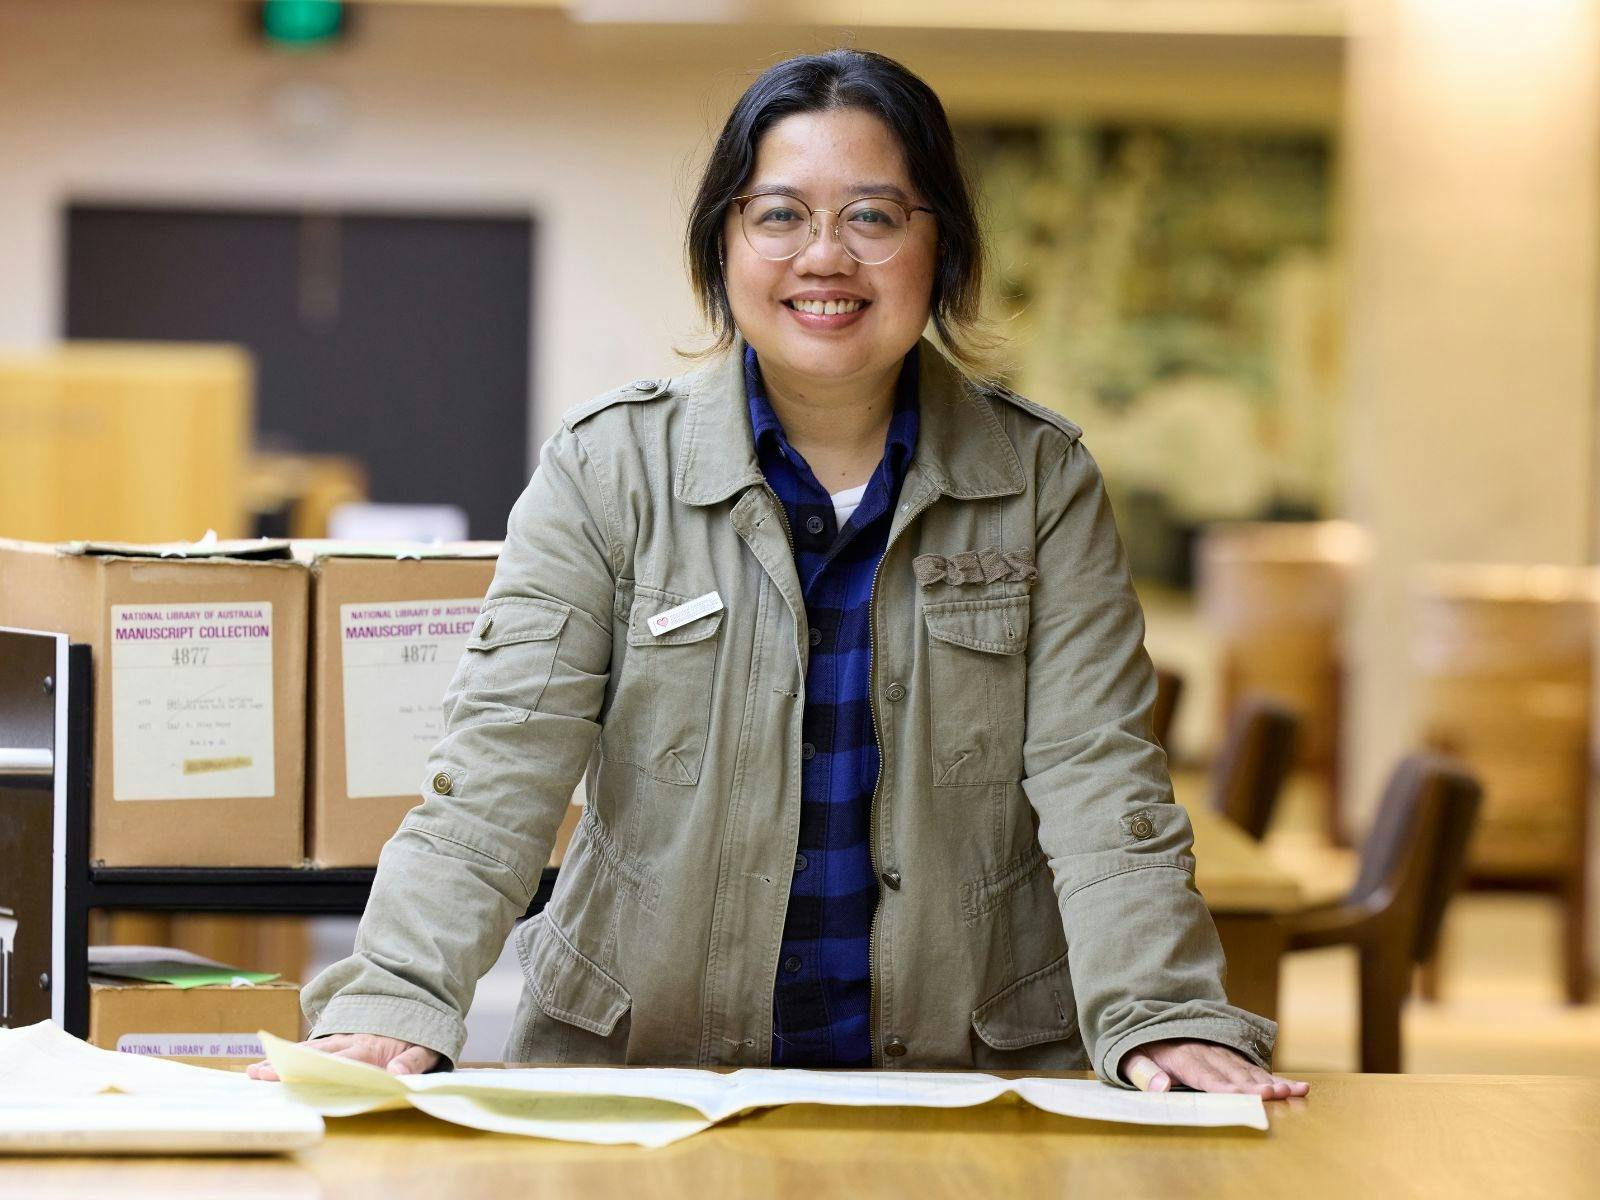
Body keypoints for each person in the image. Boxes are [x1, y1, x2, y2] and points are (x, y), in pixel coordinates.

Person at [250, 48, 1307, 1100]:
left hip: (958, 1078)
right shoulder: (609, 470)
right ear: (725, 246)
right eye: (779, 215)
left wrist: (1159, 1011)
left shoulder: (1037, 480)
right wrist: (393, 994)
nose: (825, 256)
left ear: (940, 250)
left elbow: (1095, 772)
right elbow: (497, 770)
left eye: (874, 217)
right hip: (645, 1070)